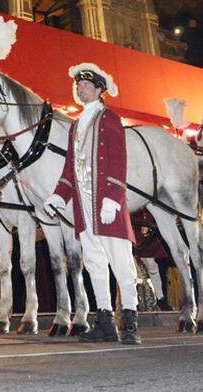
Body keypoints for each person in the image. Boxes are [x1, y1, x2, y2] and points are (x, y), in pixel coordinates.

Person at [44, 63, 140, 344]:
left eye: (86, 85)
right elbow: (69, 168)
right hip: (84, 208)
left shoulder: (110, 118)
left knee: (121, 263)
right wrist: (58, 197)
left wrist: (112, 198)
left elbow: (118, 160)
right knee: (94, 263)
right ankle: (106, 321)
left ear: (99, 90)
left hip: (106, 205)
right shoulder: (75, 126)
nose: (80, 88)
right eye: (78, 85)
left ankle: (131, 321)